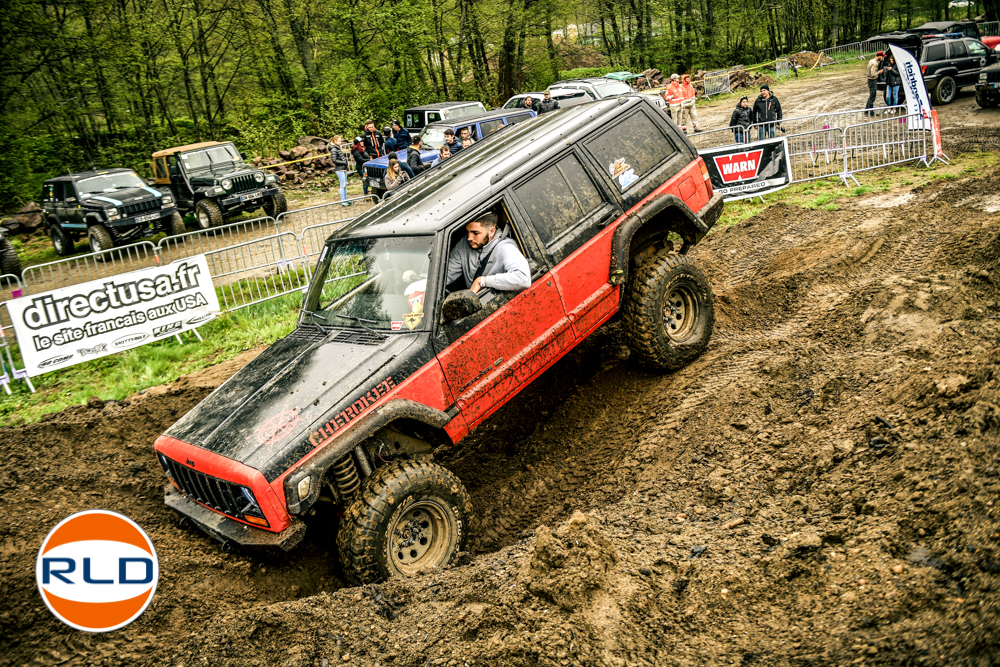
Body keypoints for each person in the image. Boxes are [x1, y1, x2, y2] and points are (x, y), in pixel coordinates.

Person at [445, 212, 530, 294]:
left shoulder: (505, 247)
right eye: (468, 232)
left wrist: (481, 281)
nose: (469, 238)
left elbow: (524, 278)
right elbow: (445, 276)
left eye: (475, 233)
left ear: (491, 232)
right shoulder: (464, 245)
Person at [329, 135, 350, 205]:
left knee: (344, 185)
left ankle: (345, 199)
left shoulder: (336, 148)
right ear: (335, 141)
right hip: (339, 169)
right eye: (339, 141)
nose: (340, 142)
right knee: (342, 185)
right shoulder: (334, 149)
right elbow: (334, 160)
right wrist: (344, 162)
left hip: (342, 168)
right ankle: (343, 201)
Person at [865, 51, 885, 116]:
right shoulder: (875, 63)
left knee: (871, 96)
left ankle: (867, 111)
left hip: (870, 80)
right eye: (882, 57)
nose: (882, 58)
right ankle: (870, 112)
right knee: (872, 97)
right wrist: (879, 72)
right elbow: (873, 74)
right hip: (872, 80)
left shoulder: (871, 61)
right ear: (879, 56)